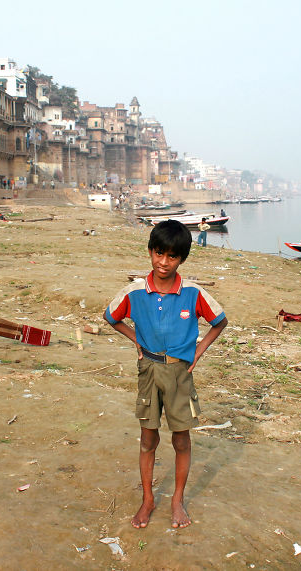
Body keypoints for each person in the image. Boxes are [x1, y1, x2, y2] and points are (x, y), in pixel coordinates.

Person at [104, 220, 228, 529]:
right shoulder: (135, 291)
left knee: (182, 439)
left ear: (182, 259)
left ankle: (177, 499)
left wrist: (197, 352)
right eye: (159, 253)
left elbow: (220, 321)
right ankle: (148, 499)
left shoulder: (192, 293)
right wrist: (137, 340)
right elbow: (111, 316)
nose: (163, 262)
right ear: (150, 252)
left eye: (172, 256)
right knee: (148, 438)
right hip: (148, 369)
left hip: (179, 373)